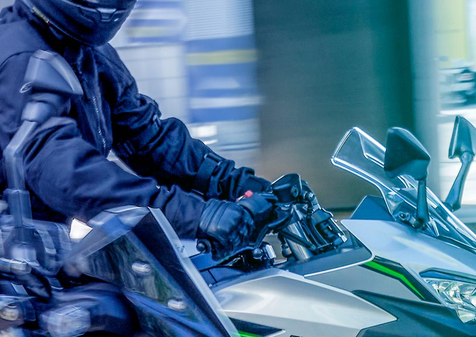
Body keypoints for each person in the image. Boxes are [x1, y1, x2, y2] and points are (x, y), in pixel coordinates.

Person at [0, 0, 276, 258]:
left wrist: (235, 183)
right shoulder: (19, 56)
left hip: (40, 254)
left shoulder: (88, 51)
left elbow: (147, 139)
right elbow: (62, 171)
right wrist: (192, 215)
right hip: (16, 261)